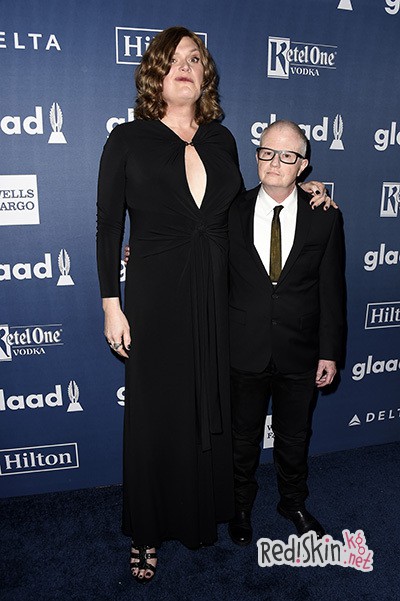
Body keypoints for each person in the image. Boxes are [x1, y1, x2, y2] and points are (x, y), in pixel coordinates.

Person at [97, 27, 332, 583]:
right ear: (155, 72)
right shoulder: (126, 140)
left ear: (205, 76)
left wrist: (307, 190)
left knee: (208, 408)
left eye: (195, 58)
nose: (185, 66)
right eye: (174, 59)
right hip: (156, 297)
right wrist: (112, 304)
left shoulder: (221, 140)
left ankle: (202, 512)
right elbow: (109, 227)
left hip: (217, 297)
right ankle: (146, 530)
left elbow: (251, 204)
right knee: (155, 416)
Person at [227, 120, 345, 546]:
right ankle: (239, 506)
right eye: (266, 152)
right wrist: (142, 252)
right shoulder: (231, 210)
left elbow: (332, 290)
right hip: (243, 348)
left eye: (287, 155)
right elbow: (192, 251)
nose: (274, 162)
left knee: (295, 437)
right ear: (257, 155)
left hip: (300, 350)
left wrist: (330, 352)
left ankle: (292, 502)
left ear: (303, 165)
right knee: (241, 437)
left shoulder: (325, 217)